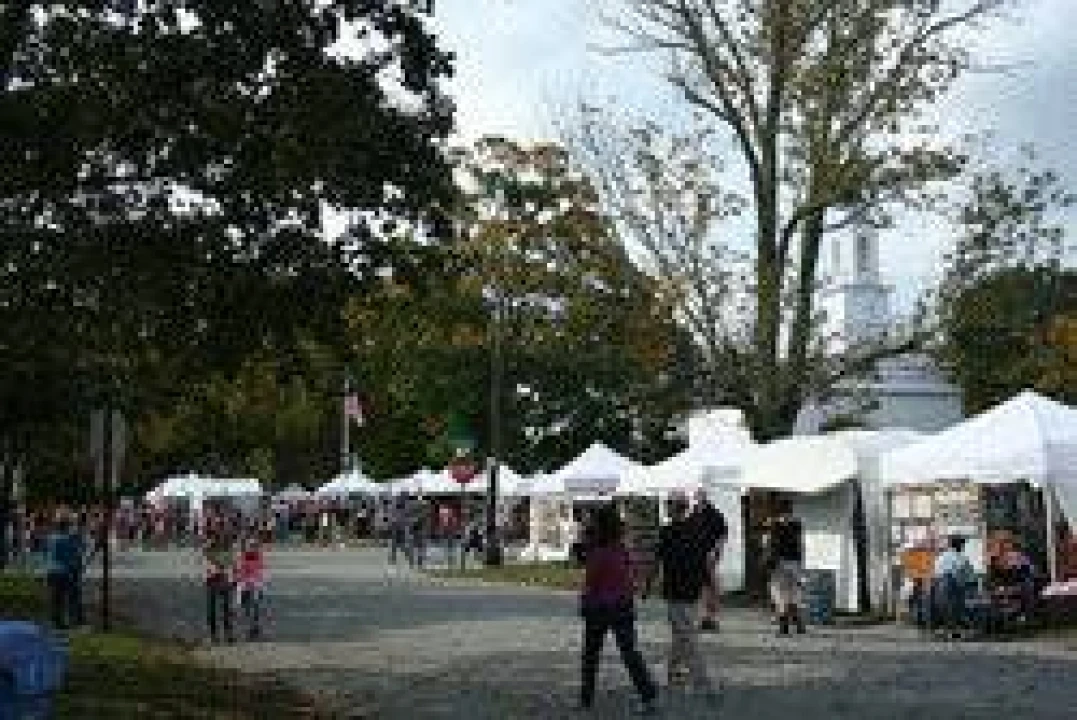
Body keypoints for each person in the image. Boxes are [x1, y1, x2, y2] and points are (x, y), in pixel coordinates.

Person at [578, 504, 658, 715]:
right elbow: (631, 573)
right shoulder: (621, 549)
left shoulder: (598, 551)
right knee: (630, 653)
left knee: (591, 655)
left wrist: (584, 600)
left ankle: (586, 698)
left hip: (599, 607)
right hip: (622, 605)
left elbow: (591, 580)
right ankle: (648, 695)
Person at [644, 492, 717, 700]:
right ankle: (673, 672)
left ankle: (702, 680)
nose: (667, 507)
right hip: (692, 588)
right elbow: (706, 562)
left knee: (687, 634)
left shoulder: (667, 532)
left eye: (669, 504)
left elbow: (657, 561)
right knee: (680, 631)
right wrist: (710, 587)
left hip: (676, 589)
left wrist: (648, 585)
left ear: (676, 507)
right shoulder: (697, 531)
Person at [691, 489, 728, 632]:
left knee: (711, 587)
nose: (696, 499)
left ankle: (711, 618)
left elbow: (722, 535)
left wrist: (715, 551)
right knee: (700, 587)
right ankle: (703, 617)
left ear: (704, 498)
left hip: (709, 555)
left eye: (699, 496)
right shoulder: (693, 513)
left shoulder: (714, 515)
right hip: (695, 555)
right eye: (696, 496)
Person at [766, 504, 806, 636]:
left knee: (779, 593)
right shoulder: (797, 526)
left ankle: (784, 625)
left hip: (780, 563)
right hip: (795, 563)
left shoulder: (774, 527)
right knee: (795, 592)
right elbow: (801, 546)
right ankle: (799, 623)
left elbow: (770, 546)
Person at [44, 509, 86, 629]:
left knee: (56, 599)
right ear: (67, 525)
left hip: (52, 571)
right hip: (66, 572)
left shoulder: (52, 538)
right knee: (73, 597)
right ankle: (75, 620)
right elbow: (75, 555)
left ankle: (56, 621)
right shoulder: (69, 539)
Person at [932, 535, 976, 638]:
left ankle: (947, 630)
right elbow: (966, 573)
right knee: (956, 608)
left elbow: (936, 571)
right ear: (959, 545)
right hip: (953, 583)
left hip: (940, 583)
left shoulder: (942, 556)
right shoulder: (961, 557)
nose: (963, 547)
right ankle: (954, 630)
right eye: (962, 544)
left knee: (945, 607)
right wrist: (970, 583)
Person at [204, 528, 236, 644]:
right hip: (215, 580)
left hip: (222, 580)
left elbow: (230, 564)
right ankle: (215, 634)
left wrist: (220, 567)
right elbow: (210, 564)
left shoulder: (227, 550)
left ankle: (226, 633)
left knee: (225, 609)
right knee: (214, 609)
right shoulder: (210, 549)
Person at [234, 536, 267, 640]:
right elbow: (239, 571)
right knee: (245, 607)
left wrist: (256, 581)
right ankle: (247, 627)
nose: (252, 548)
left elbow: (260, 571)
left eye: (254, 546)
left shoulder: (258, 557)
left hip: (255, 584)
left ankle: (254, 627)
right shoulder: (241, 557)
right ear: (246, 547)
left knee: (256, 606)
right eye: (251, 546)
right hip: (244, 585)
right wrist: (242, 581)